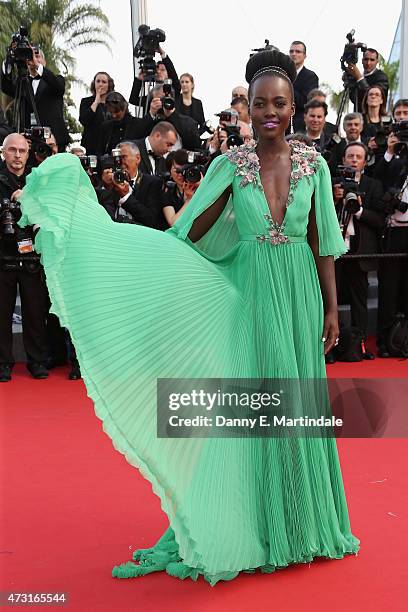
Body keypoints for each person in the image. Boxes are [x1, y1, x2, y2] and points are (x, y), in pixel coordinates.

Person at [18, 49, 359, 584]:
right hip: (248, 294)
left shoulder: (314, 165)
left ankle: (306, 524)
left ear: (294, 108)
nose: (270, 112)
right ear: (249, 109)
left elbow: (323, 242)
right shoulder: (230, 165)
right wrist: (149, 259)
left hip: (299, 294)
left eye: (281, 103)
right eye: (261, 104)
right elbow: (192, 232)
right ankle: (255, 521)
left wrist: (332, 308)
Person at [0, 133, 48, 381]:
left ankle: (37, 361)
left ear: (28, 154)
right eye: (12, 150)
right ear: (4, 152)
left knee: (34, 312)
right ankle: (3, 363)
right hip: (3, 254)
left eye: (22, 151)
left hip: (32, 256)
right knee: (2, 313)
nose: (17, 155)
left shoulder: (37, 181)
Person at [331, 142, 384, 361]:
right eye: (350, 156)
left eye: (358, 157)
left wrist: (359, 209)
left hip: (359, 251)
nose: (353, 160)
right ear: (343, 160)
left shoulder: (373, 186)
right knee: (329, 299)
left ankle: (359, 345)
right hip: (333, 250)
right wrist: (333, 200)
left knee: (359, 300)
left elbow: (380, 220)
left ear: (364, 161)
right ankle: (330, 347)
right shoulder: (330, 184)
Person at [374, 99, 408, 357]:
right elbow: (379, 181)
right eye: (399, 115)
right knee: (388, 287)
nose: (403, 118)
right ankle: (386, 341)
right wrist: (389, 151)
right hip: (394, 229)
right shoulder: (389, 156)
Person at [1, 47, 69, 151]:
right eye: (30, 56)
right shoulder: (22, 83)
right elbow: (6, 87)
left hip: (53, 140)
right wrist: (9, 61)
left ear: (44, 62)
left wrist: (37, 65)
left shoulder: (56, 79)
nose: (33, 59)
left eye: (37, 56)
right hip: (29, 141)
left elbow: (59, 87)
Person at [79, 71, 115, 155]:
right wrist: (96, 102)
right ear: (94, 84)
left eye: (104, 82)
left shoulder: (113, 103)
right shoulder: (86, 101)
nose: (100, 84)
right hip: (91, 146)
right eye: (98, 81)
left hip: (109, 146)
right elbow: (84, 120)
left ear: (109, 85)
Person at [345, 48, 389, 113]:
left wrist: (359, 78)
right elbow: (355, 100)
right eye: (366, 59)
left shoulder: (381, 77)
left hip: (375, 118)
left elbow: (374, 97)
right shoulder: (358, 76)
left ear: (377, 61)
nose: (368, 63)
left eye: (372, 60)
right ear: (362, 60)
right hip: (359, 117)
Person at [289, 40, 319, 132]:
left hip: (300, 127)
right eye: (291, 51)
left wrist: (287, 85)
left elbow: (306, 102)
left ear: (304, 56)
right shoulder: (283, 75)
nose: (294, 54)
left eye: (298, 51)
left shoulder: (311, 77)